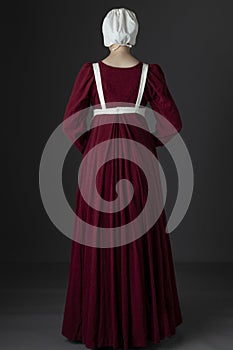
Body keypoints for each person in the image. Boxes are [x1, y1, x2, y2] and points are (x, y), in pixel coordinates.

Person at [61, 7, 183, 350]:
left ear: (105, 33)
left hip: (97, 162)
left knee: (99, 236)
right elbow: (173, 123)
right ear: (134, 33)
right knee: (139, 235)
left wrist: (91, 147)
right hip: (140, 159)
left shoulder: (91, 72)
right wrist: (148, 142)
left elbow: (71, 123)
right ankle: (143, 324)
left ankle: (97, 323)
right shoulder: (149, 73)